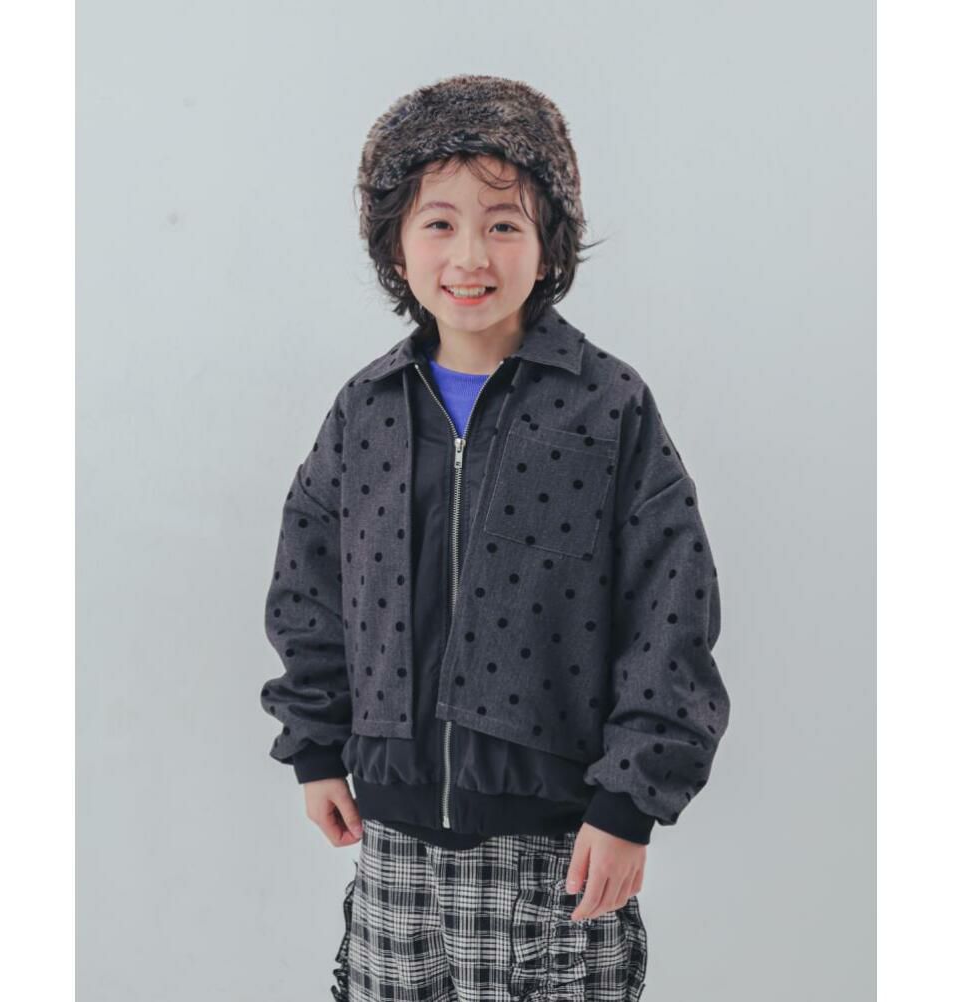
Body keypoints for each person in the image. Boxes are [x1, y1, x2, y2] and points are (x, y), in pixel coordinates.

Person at [260, 73, 731, 1001]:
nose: (470, 254)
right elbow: (310, 585)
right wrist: (316, 747)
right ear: (394, 245)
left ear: (549, 245)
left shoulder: (606, 406)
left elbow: (671, 610)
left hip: (559, 852)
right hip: (392, 848)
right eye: (439, 222)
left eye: (504, 224)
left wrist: (629, 804)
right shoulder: (366, 410)